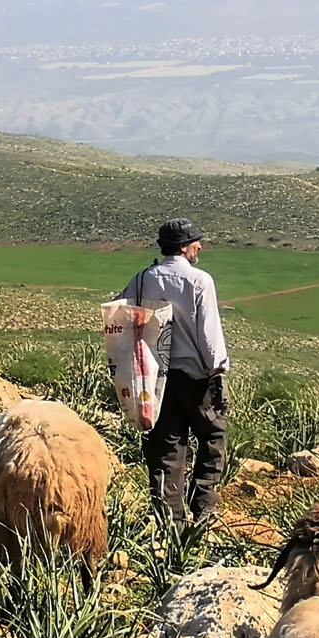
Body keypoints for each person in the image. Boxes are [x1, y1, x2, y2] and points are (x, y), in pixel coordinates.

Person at [124, 217, 230, 527]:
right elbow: (209, 337)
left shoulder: (143, 279)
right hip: (196, 378)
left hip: (156, 379)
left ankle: (170, 522)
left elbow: (120, 314)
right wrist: (218, 370)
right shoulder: (200, 281)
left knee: (167, 448)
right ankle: (206, 507)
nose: (200, 246)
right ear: (185, 248)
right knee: (212, 437)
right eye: (196, 242)